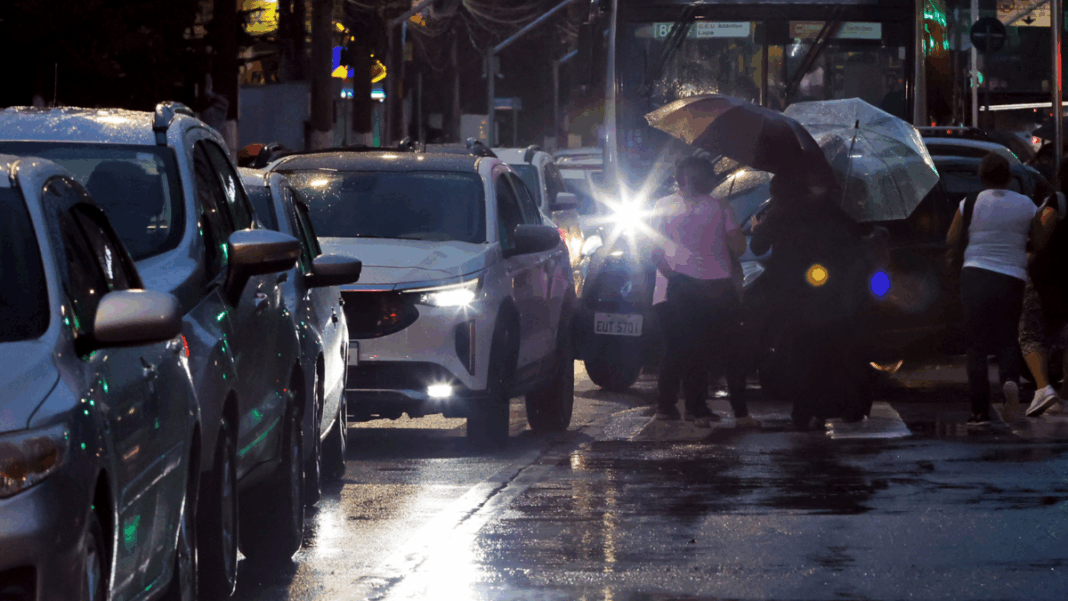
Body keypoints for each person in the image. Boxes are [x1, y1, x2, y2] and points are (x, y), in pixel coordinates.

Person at [749, 174, 877, 430]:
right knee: (835, 349)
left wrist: (757, 228)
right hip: (833, 289)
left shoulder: (779, 212)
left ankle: (803, 411)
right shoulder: (830, 206)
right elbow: (858, 233)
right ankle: (847, 407)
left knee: (801, 352)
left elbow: (758, 247)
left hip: (795, 293)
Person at [945, 153, 1047, 426]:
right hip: (1011, 278)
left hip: (975, 276)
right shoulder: (1026, 205)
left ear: (981, 177)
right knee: (1008, 339)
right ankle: (1010, 380)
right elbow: (1038, 241)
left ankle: (979, 412)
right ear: (1009, 177)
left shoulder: (969, 203)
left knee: (976, 346)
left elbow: (952, 238)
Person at [651, 156, 750, 426]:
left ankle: (671, 405)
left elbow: (652, 249)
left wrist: (670, 274)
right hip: (703, 286)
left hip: (680, 286)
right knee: (697, 348)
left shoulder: (665, 206)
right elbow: (739, 247)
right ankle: (692, 407)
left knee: (679, 348)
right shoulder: (719, 206)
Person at [1021, 161, 1068, 417]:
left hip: (1049, 275)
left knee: (1030, 332)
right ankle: (1065, 394)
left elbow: (1041, 237)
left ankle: (1043, 388)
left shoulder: (1057, 201)